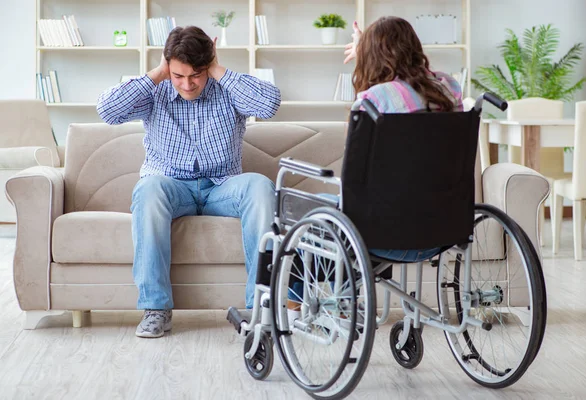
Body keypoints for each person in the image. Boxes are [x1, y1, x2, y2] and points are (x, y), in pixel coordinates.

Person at [97, 26, 281, 338]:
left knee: (261, 186)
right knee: (148, 188)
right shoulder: (157, 89)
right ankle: (156, 308)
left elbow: (270, 104)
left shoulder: (225, 89)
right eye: (178, 75)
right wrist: (158, 73)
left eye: (196, 74)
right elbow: (107, 111)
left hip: (222, 187)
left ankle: (260, 307)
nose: (187, 84)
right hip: (171, 186)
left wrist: (217, 68)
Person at [288, 16, 463, 315]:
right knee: (345, 212)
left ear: (371, 56)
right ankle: (342, 296)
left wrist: (365, 59)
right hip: (443, 229)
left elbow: (355, 172)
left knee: (312, 212)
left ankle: (296, 307)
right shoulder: (449, 87)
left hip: (385, 233)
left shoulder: (371, 100)